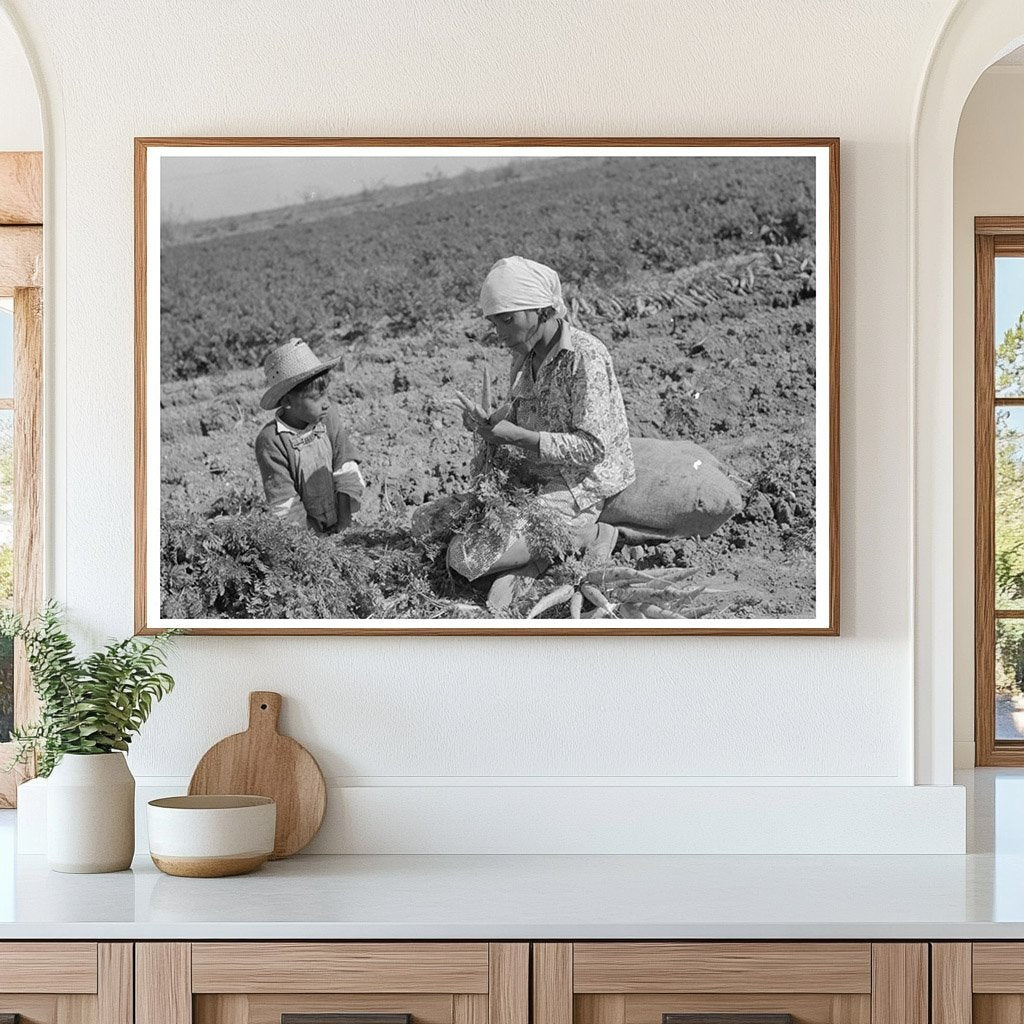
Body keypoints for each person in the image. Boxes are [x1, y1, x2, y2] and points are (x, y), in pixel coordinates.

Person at [448, 256, 635, 609]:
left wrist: (515, 437)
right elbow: (520, 413)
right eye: (494, 323)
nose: (500, 334)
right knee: (427, 523)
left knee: (468, 559)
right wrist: (488, 423)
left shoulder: (586, 356)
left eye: (507, 320)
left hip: (578, 484)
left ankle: (588, 532)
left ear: (542, 311)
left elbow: (593, 448)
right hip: (532, 475)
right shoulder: (524, 355)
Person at [254, 338, 365, 534]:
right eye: (316, 397)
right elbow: (286, 503)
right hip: (304, 534)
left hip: (341, 520)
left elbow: (345, 468)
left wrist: (344, 528)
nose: (326, 404)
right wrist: (314, 544)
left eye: (325, 394)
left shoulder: (327, 418)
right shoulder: (272, 440)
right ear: (287, 401)